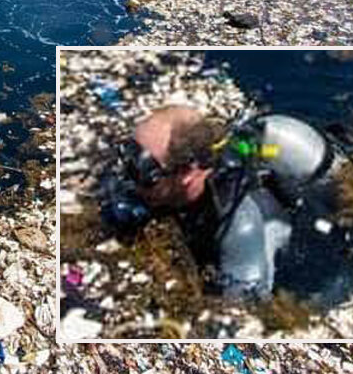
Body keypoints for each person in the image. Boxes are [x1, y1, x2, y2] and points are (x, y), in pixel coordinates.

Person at [99, 106, 338, 299]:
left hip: (295, 256)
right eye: (128, 152)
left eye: (144, 172)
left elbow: (245, 310)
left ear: (187, 174)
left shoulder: (239, 226)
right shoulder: (200, 158)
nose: (129, 179)